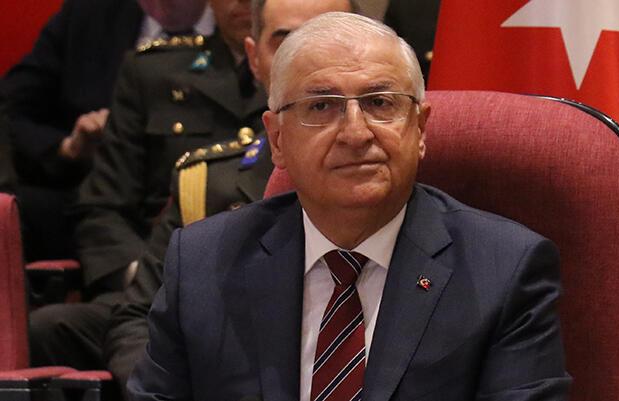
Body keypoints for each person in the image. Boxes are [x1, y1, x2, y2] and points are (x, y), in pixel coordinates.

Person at [129, 12, 571, 401]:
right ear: (277, 139)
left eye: (380, 103)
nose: (356, 133)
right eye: (322, 106)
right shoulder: (203, 264)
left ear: (419, 129)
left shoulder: (503, 270)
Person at [102, 0, 356, 393]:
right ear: (255, 59)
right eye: (287, 42)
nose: (310, 61)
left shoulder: (396, 177)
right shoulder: (207, 182)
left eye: (329, 37)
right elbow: (138, 319)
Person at [28, 0, 260, 386]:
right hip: (156, 278)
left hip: (261, 282)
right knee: (49, 328)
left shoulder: (311, 87)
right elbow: (102, 205)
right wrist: (145, 274)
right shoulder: (153, 71)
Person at [0, 0, 213, 261]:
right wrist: (66, 148)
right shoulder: (91, 14)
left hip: (199, 207)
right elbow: (11, 114)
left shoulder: (241, 21)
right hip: (93, 202)